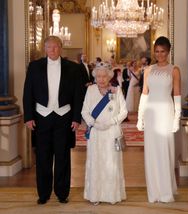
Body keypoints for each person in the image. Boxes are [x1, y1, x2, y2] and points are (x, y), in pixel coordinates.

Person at [23, 36, 84, 205]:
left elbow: (78, 95)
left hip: (64, 117)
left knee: (63, 157)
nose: (53, 50)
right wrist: (28, 117)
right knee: (43, 157)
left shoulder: (73, 68)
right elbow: (28, 93)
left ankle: (62, 193)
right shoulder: (35, 67)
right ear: (45, 49)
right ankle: (43, 194)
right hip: (41, 117)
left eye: (56, 47)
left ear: (61, 48)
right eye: (49, 47)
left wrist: (76, 118)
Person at [137, 36, 181, 203]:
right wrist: (140, 117)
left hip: (166, 113)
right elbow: (144, 94)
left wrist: (177, 118)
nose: (160, 54)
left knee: (165, 152)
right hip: (151, 114)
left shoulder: (174, 69)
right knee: (152, 152)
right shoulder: (148, 70)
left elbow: (177, 94)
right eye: (157, 51)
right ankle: (154, 191)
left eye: (163, 51)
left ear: (168, 51)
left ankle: (166, 191)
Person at [81, 65, 128, 205]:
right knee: (96, 163)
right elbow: (84, 112)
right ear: (95, 77)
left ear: (109, 77)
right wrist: (93, 123)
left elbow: (124, 112)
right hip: (95, 132)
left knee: (111, 163)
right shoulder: (90, 90)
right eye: (98, 77)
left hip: (112, 131)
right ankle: (95, 195)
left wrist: (110, 122)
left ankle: (112, 195)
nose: (101, 79)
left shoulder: (116, 90)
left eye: (104, 76)